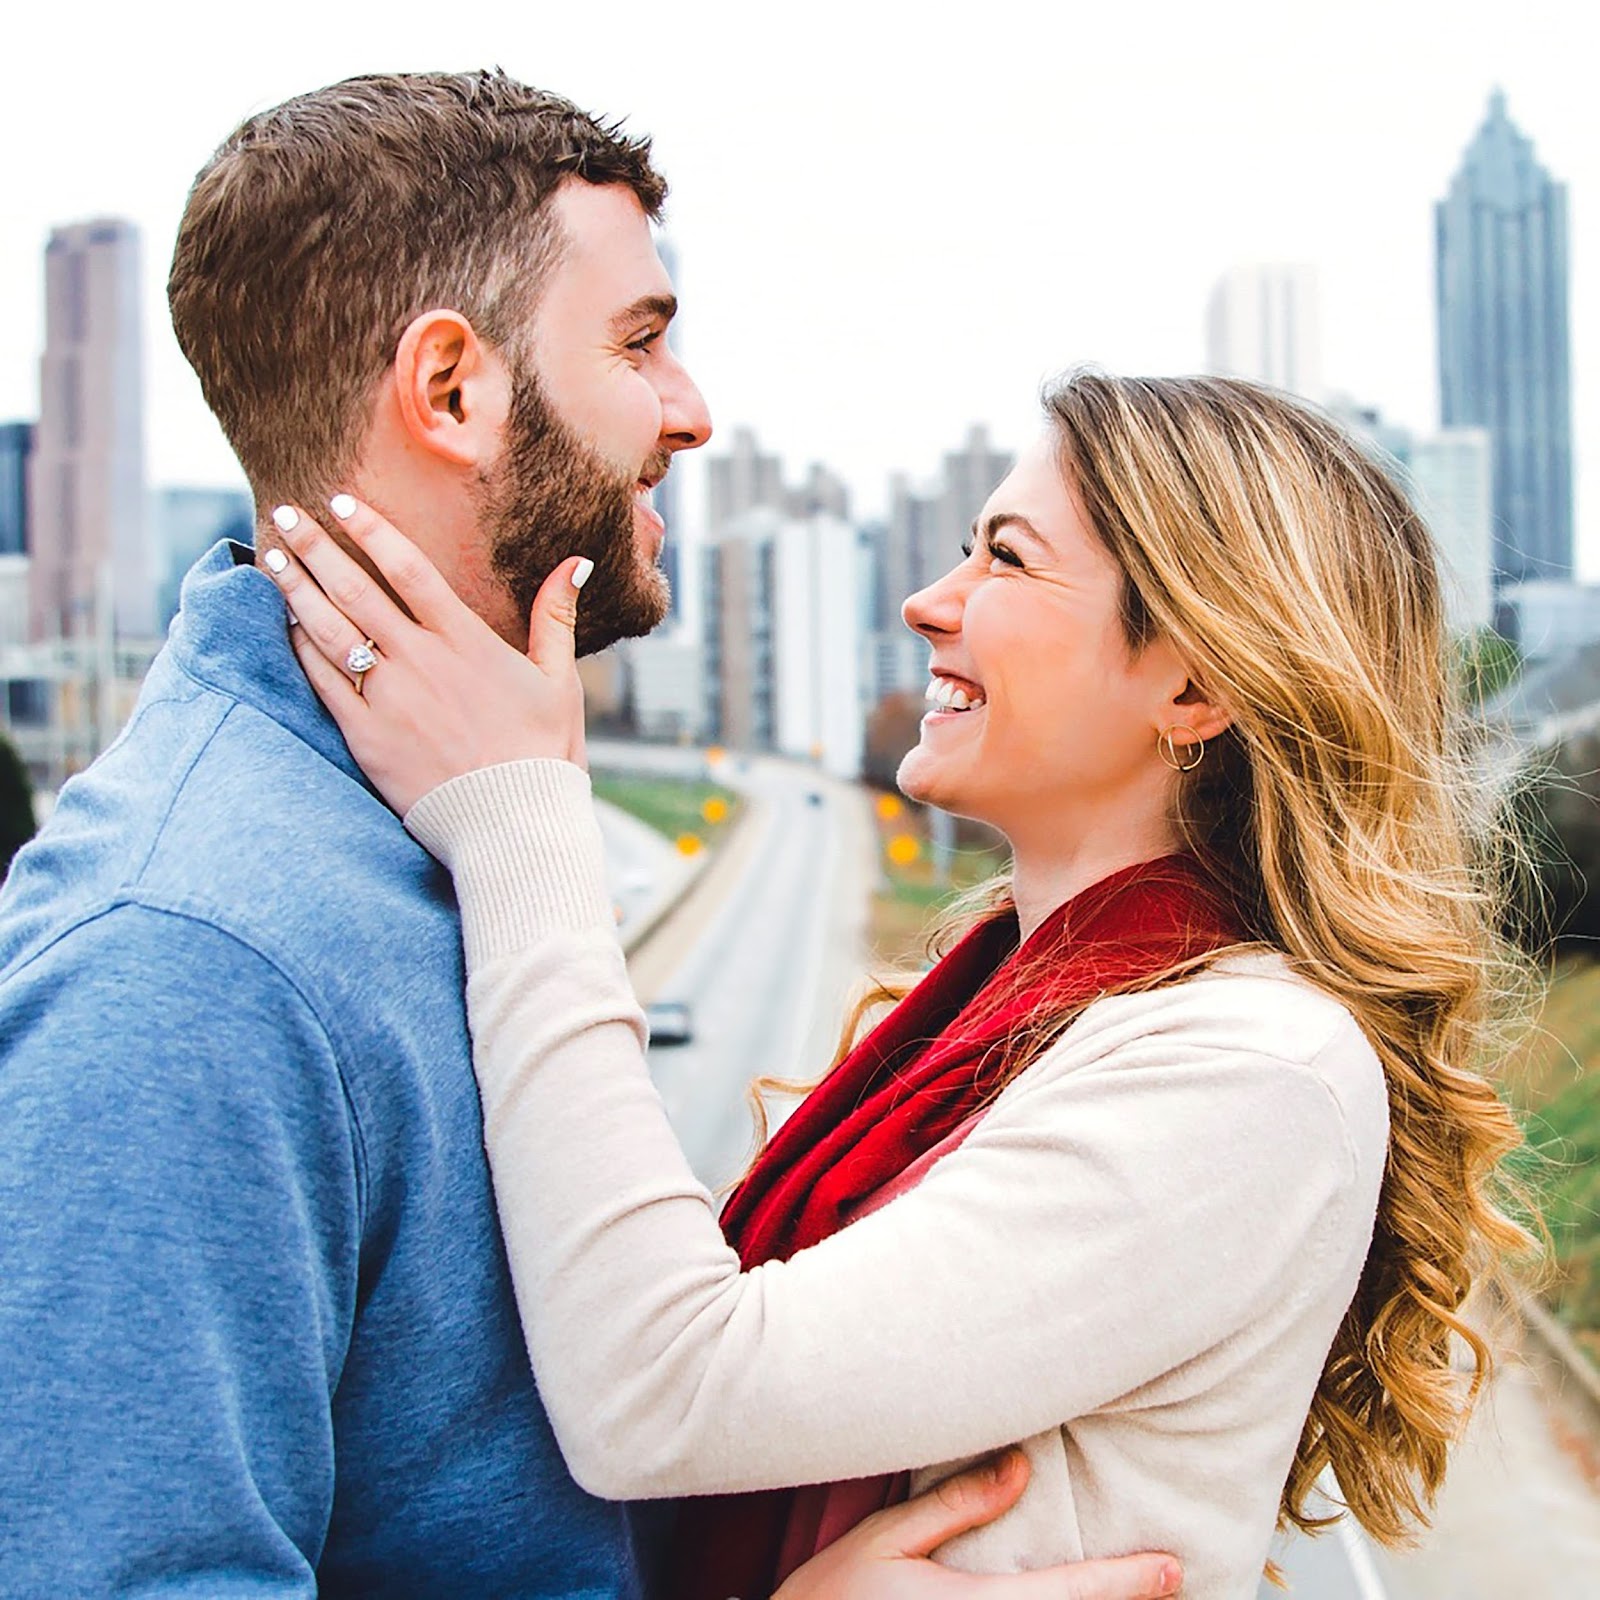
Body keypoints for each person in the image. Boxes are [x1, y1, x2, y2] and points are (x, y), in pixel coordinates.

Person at [0, 71, 1182, 1599]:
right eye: (639, 341)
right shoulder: (187, 961)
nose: (691, 408)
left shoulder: (458, 834)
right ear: (450, 390)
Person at [263, 369, 1533, 1598]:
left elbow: (659, 1387)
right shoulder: (1032, 1010)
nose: (930, 602)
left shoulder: (1250, 1070)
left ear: (1191, 683)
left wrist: (523, 825)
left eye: (1007, 558)